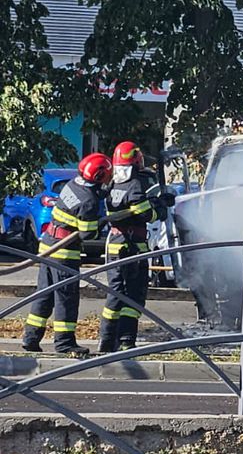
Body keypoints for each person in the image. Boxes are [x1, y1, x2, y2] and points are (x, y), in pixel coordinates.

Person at [22, 153, 113, 356]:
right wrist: (102, 220)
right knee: (66, 297)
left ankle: (30, 338)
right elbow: (89, 233)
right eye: (107, 174)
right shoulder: (88, 202)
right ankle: (64, 343)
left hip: (47, 246)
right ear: (98, 176)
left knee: (44, 294)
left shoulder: (73, 184)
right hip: (64, 252)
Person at [99, 141, 173, 353]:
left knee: (116, 293)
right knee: (134, 294)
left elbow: (133, 207)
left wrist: (154, 201)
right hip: (132, 249)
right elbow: (145, 215)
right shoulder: (135, 185)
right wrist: (160, 208)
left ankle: (108, 340)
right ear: (136, 161)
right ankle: (126, 340)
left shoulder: (114, 185)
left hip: (116, 246)